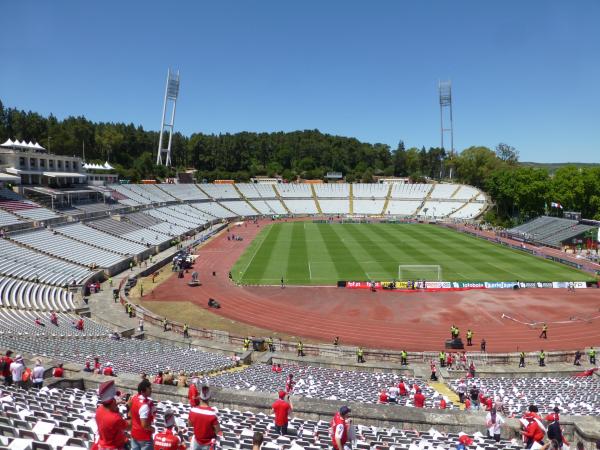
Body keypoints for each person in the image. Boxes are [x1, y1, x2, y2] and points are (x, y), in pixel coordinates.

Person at [95, 380, 130, 450]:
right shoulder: (115, 418)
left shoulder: (99, 409)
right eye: (115, 397)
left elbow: (109, 408)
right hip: (114, 447)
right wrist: (130, 408)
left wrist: (116, 403)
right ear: (113, 401)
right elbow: (129, 426)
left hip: (102, 445)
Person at [188, 385, 220, 450]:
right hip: (208, 444)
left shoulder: (193, 410)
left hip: (196, 442)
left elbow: (190, 424)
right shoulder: (213, 413)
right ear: (209, 397)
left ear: (200, 397)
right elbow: (217, 430)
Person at [129, 379, 156, 450]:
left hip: (134, 433)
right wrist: (152, 429)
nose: (151, 390)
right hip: (144, 436)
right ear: (143, 391)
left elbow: (130, 413)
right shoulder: (144, 405)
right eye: (149, 388)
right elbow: (144, 425)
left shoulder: (133, 398)